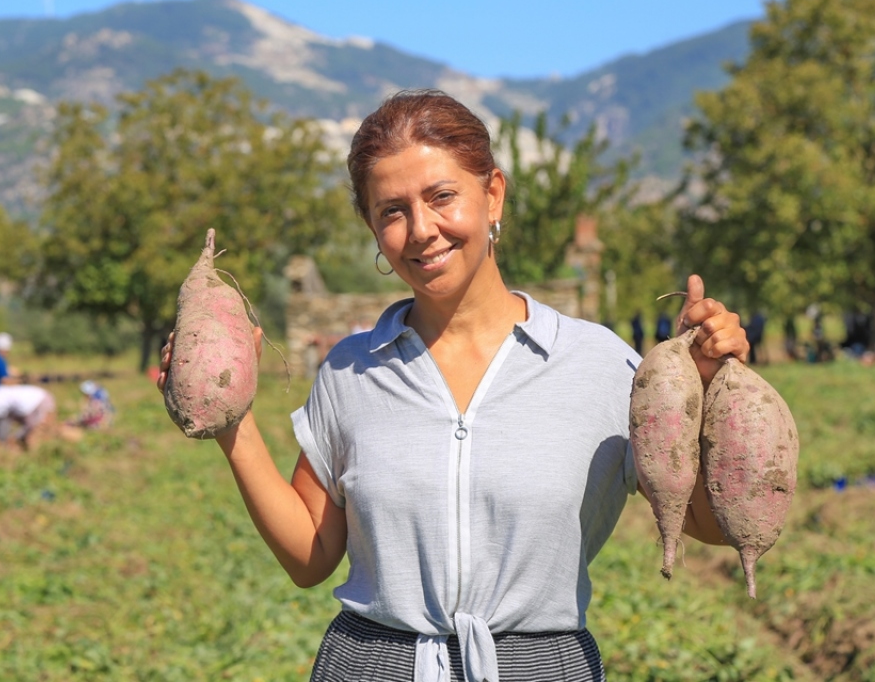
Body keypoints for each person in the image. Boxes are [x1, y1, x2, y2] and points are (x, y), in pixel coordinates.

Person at [157, 90, 750, 682]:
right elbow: (311, 557)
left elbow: (706, 524)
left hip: (542, 668)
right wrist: (234, 426)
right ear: (370, 225)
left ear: (492, 194)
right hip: (372, 665)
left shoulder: (599, 365)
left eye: (442, 197)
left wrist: (709, 396)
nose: (421, 230)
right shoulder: (350, 370)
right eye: (391, 211)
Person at [0, 383, 57, 450]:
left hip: (38, 402)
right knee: (28, 434)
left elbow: (2, 422)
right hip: (36, 402)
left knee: (35, 435)